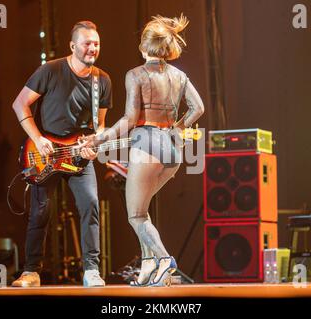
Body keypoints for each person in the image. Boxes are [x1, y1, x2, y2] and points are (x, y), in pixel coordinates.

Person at [84, 14, 204, 287]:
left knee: (136, 215)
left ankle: (164, 260)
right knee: (143, 211)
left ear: (143, 47)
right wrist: (179, 126)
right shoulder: (179, 76)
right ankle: (149, 268)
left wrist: (100, 140)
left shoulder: (135, 75)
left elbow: (129, 119)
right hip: (173, 152)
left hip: (146, 147)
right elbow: (199, 108)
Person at [11, 20, 112, 287]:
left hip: (80, 156)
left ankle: (91, 270)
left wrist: (96, 143)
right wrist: (38, 138)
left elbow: (101, 123)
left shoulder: (102, 80)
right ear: (73, 45)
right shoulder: (50, 70)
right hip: (46, 154)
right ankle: (31, 271)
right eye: (87, 43)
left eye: (97, 44)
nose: (93, 48)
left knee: (90, 205)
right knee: (40, 211)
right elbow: (20, 104)